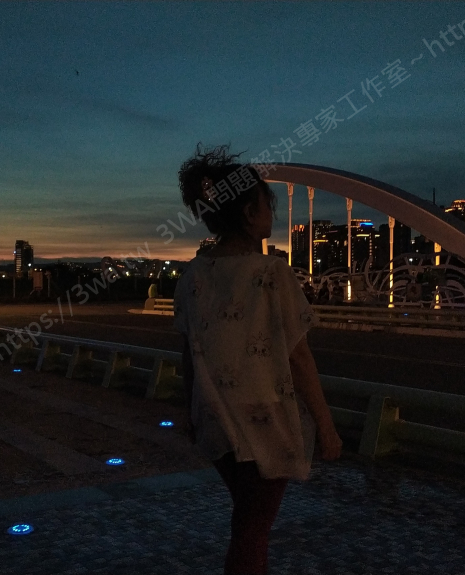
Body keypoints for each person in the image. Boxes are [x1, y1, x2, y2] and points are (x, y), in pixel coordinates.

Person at [173, 143, 342, 575]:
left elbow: (188, 352)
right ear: (250, 213)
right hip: (263, 420)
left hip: (213, 418)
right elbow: (299, 357)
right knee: (253, 528)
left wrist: (190, 410)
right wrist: (325, 427)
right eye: (269, 206)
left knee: (248, 519)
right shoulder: (272, 273)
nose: (273, 215)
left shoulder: (191, 277)